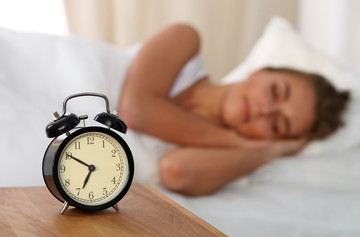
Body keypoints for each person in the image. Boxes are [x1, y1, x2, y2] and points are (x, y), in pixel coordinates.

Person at [118, 24, 350, 196]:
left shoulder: (221, 153)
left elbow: (177, 171)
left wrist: (267, 152)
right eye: (276, 91)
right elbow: (135, 111)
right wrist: (237, 140)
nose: (267, 110)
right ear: (260, 72)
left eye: (278, 124)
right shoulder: (185, 40)